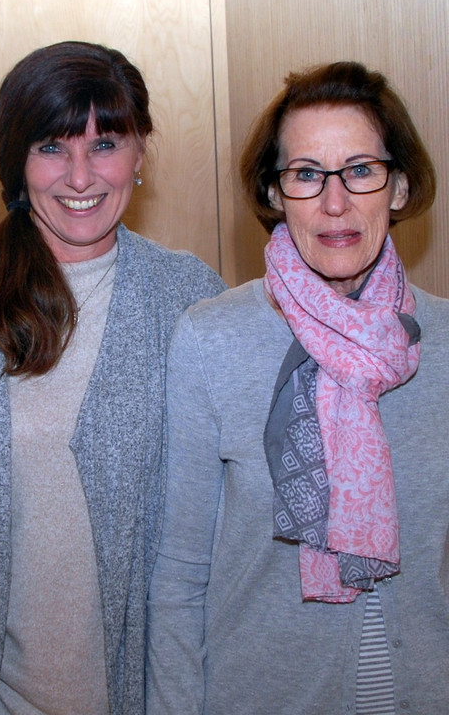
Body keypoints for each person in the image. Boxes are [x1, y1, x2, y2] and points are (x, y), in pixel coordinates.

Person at [146, 61, 449, 714]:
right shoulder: (211, 340)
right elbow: (178, 581)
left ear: (399, 187)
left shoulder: (446, 344)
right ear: (275, 192)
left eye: (360, 170)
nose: (334, 203)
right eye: (307, 174)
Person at [0, 40, 225, 715]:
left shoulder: (191, 301)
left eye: (105, 144)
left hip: (148, 696)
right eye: (51, 147)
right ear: (16, 160)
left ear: (140, 151)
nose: (79, 176)